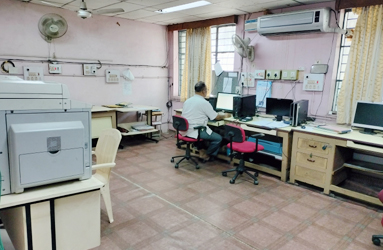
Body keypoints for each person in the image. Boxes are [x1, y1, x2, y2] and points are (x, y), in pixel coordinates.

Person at [181, 81, 231, 161]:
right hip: (196, 131)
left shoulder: (188, 101)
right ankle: (207, 154)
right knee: (218, 138)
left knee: (209, 131)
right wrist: (225, 115)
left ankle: (201, 150)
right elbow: (216, 117)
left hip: (185, 130)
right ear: (204, 91)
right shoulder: (204, 103)